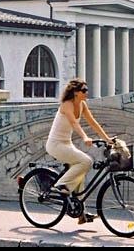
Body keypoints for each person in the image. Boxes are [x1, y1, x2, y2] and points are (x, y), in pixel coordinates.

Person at [45, 78, 113, 225]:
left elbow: (93, 122)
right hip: (55, 144)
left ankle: (81, 214)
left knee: (80, 175)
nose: (86, 92)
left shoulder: (82, 105)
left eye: (86, 90)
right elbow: (74, 123)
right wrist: (84, 137)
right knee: (86, 161)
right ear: (75, 92)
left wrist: (107, 139)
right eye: (84, 90)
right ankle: (60, 185)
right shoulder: (67, 105)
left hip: (66, 143)